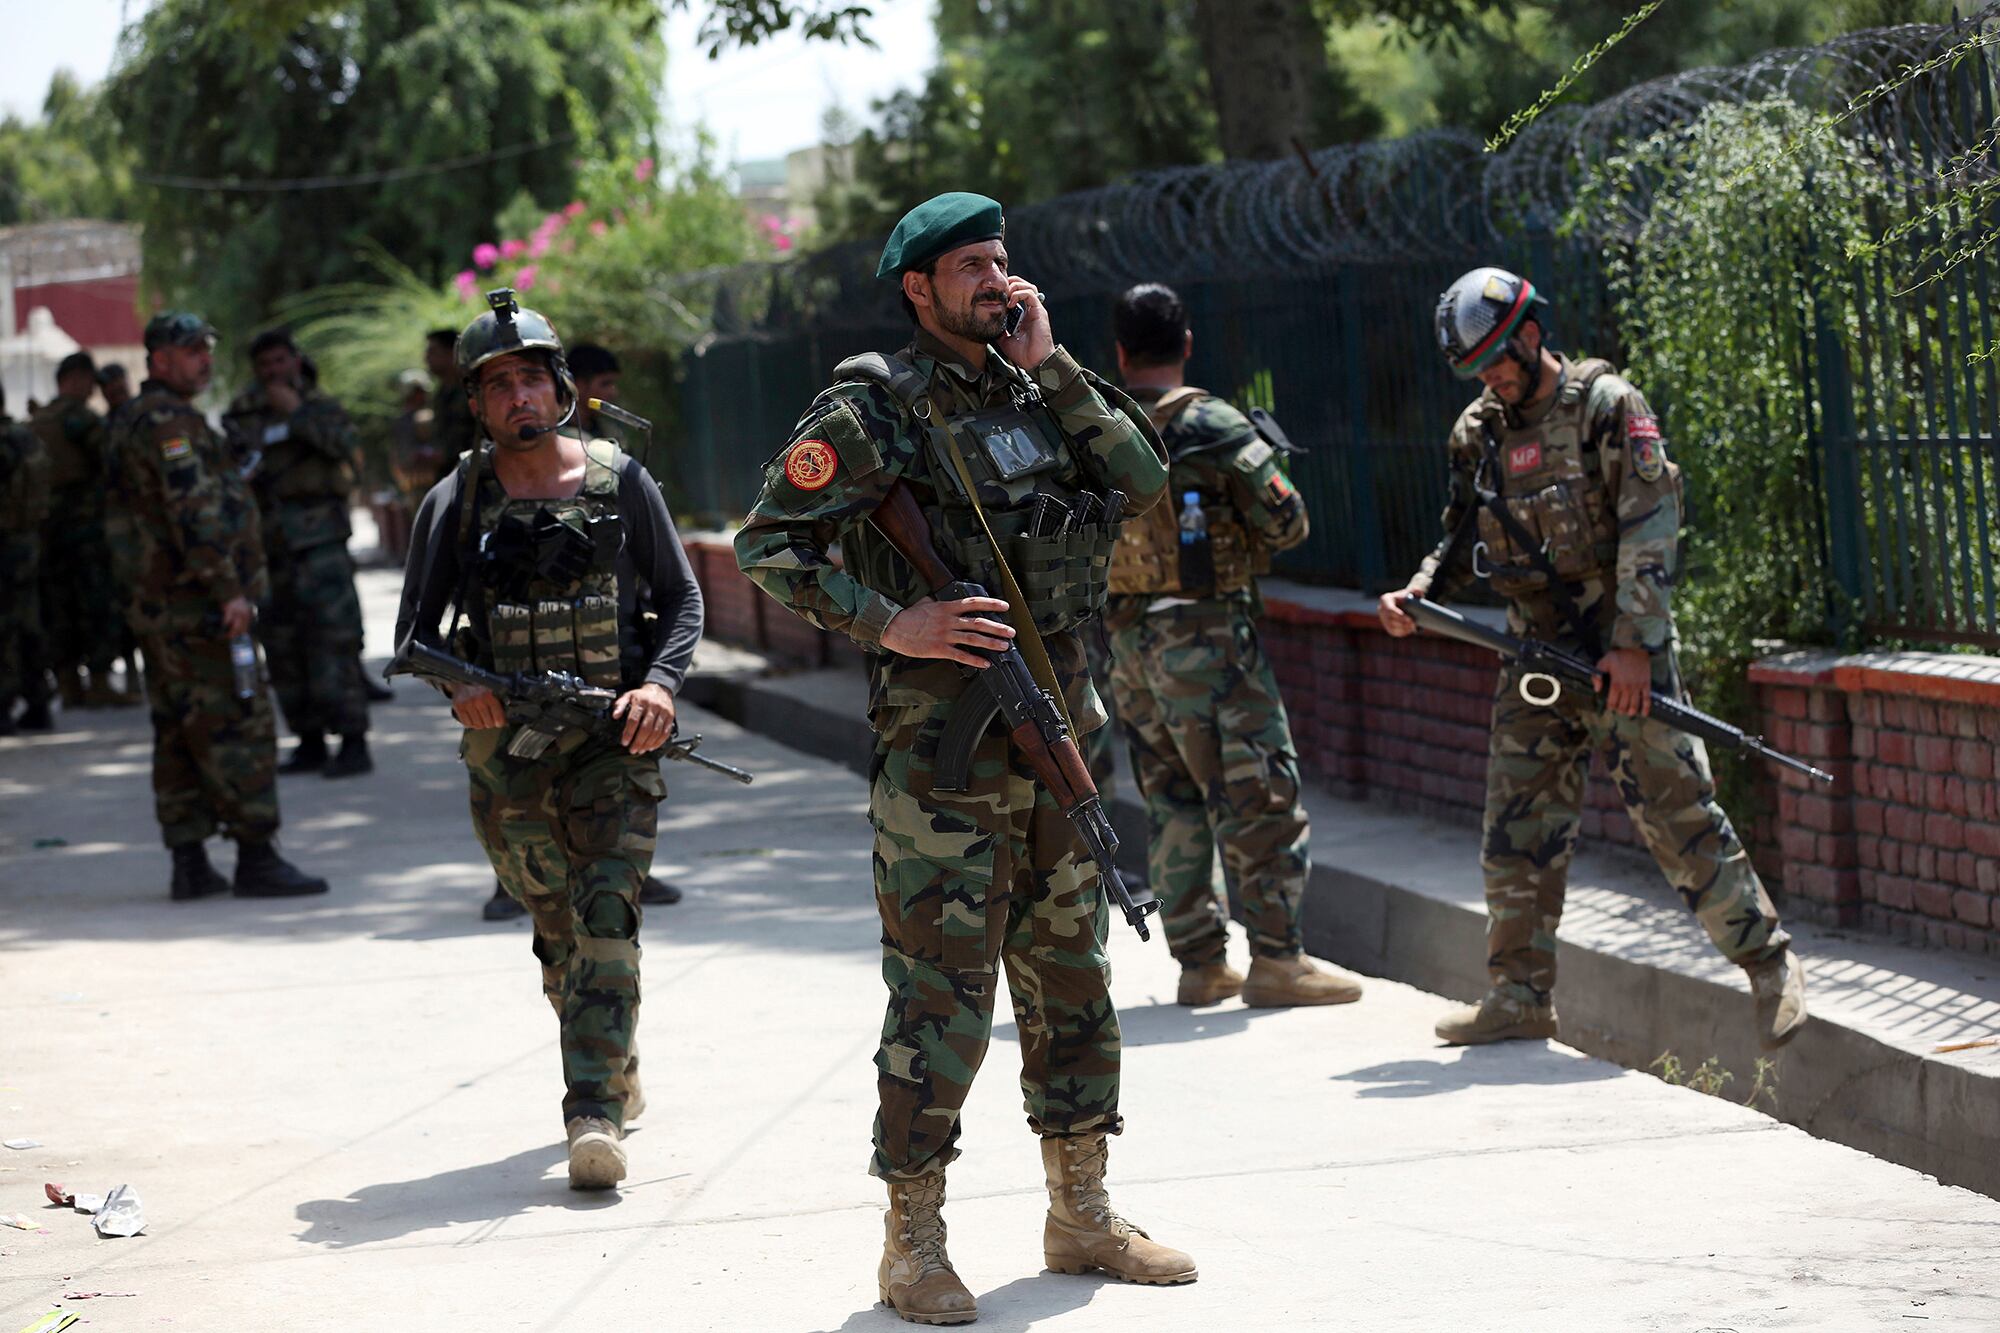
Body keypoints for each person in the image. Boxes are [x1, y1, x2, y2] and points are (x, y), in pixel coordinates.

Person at [737, 192, 1196, 1325]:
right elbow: (766, 543)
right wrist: (893, 624)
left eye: (1004, 263)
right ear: (918, 288)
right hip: (944, 764)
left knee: (1073, 976)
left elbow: (1140, 483)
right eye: (973, 269)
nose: (999, 283)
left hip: (1056, 735)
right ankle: (912, 1240)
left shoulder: (1035, 389)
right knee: (942, 997)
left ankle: (1080, 1209)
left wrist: (1060, 367)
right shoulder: (873, 407)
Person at [1377, 267, 1807, 1050]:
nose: (1489, 380)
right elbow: (1458, 530)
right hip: (1536, 656)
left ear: (1531, 335)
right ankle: (1518, 996)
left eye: (1497, 362)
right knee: (1516, 827)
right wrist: (1418, 592)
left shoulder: (1609, 408)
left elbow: (1651, 528)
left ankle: (1770, 965)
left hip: (1620, 652)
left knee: (1678, 816)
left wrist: (1635, 647)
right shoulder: (1480, 432)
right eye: (1475, 370)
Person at [394, 288, 704, 1190]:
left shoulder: (621, 482)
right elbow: (413, 635)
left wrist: (659, 683)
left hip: (614, 739)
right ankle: (611, 1052)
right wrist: (462, 684)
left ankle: (591, 1113)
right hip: (509, 757)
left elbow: (683, 599)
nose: (518, 398)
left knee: (607, 916)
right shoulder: (456, 499)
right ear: (477, 405)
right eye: (498, 386)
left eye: (532, 378)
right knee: (560, 932)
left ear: (561, 387)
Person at [1102, 283, 1362, 1010]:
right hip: (1210, 642)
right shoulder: (1212, 421)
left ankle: (1201, 964)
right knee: (1259, 795)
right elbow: (1288, 523)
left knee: (1173, 800)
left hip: (1128, 645)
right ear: (1186, 343)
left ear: (1121, 353)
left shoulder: (1098, 426)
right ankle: (1278, 960)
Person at [102, 311, 329, 902]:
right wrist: (228, 589)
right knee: (239, 724)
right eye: (190, 350)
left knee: (177, 729)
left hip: (161, 610)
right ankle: (256, 855)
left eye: (206, 348)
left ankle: (189, 860)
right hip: (196, 606)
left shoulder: (134, 417)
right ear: (159, 360)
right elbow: (193, 513)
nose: (204, 359)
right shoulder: (168, 423)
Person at [222, 329, 372, 778]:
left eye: (280, 361)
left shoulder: (321, 406)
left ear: (294, 361)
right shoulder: (242, 414)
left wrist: (298, 415)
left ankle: (352, 739)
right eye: (264, 365)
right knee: (283, 647)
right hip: (268, 547)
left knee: (333, 641)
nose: (273, 372)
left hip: (320, 544)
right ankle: (307, 740)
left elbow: (347, 449)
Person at [32, 350, 131, 710]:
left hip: (46, 533)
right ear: (76, 379)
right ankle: (101, 682)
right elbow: (113, 457)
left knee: (59, 608)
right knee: (96, 604)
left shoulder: (38, 419)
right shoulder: (79, 419)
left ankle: (70, 684)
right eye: (91, 382)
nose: (94, 390)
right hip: (84, 531)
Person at [0, 385, 52, 736]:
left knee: (5, 627)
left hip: (5, 544)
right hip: (30, 541)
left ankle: (2, 706)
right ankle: (38, 703)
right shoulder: (27, 438)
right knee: (30, 623)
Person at [425, 327, 478, 488]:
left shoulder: (473, 389)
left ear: (452, 353)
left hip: (474, 475)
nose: (426, 358)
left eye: (433, 352)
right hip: (448, 478)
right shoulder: (441, 394)